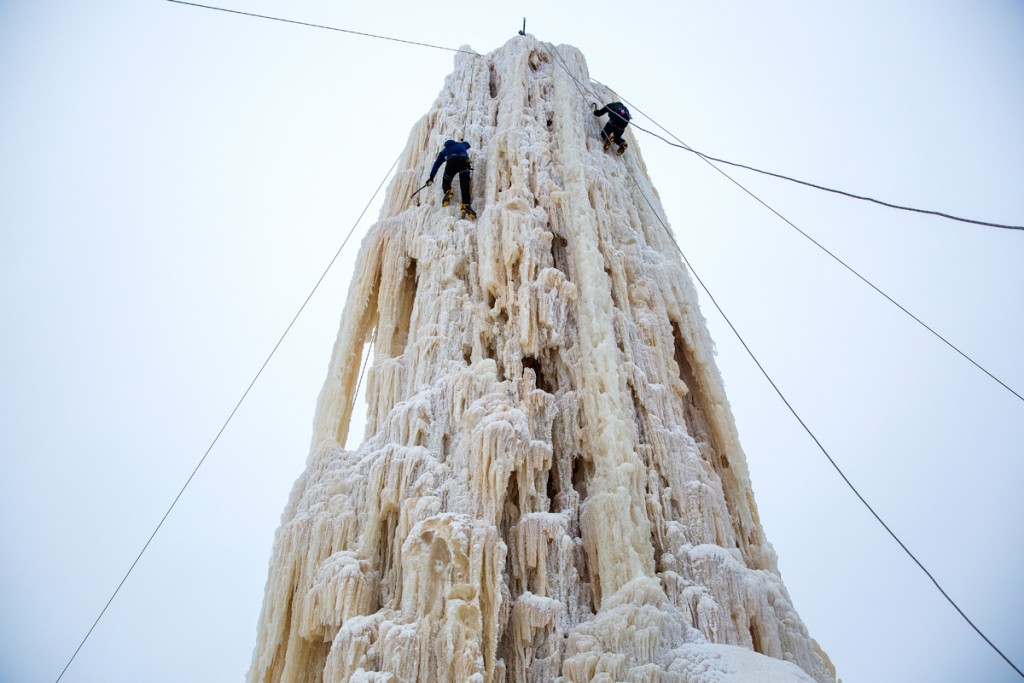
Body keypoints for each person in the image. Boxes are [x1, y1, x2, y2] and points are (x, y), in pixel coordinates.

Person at [425, 139, 477, 219]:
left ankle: (448, 191)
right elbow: (468, 144)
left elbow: (437, 164)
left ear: (446, 145)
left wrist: (431, 177)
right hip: (464, 161)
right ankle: (466, 204)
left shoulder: (445, 150)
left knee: (446, 180)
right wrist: (462, 143)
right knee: (464, 184)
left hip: (452, 162)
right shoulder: (461, 145)